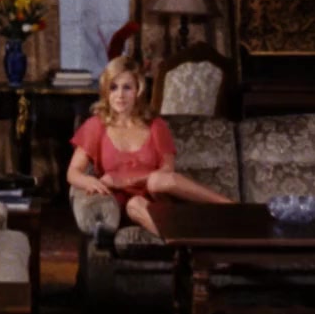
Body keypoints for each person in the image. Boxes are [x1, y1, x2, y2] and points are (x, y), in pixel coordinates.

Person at [67, 56, 232, 236]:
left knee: (157, 181)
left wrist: (127, 179)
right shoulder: (96, 125)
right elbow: (73, 172)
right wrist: (89, 181)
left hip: (158, 196)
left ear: (138, 90)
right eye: (113, 87)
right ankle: (188, 243)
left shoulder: (155, 125)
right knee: (134, 203)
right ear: (106, 90)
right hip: (126, 203)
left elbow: (168, 171)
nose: (120, 95)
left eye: (127, 87)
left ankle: (230, 207)